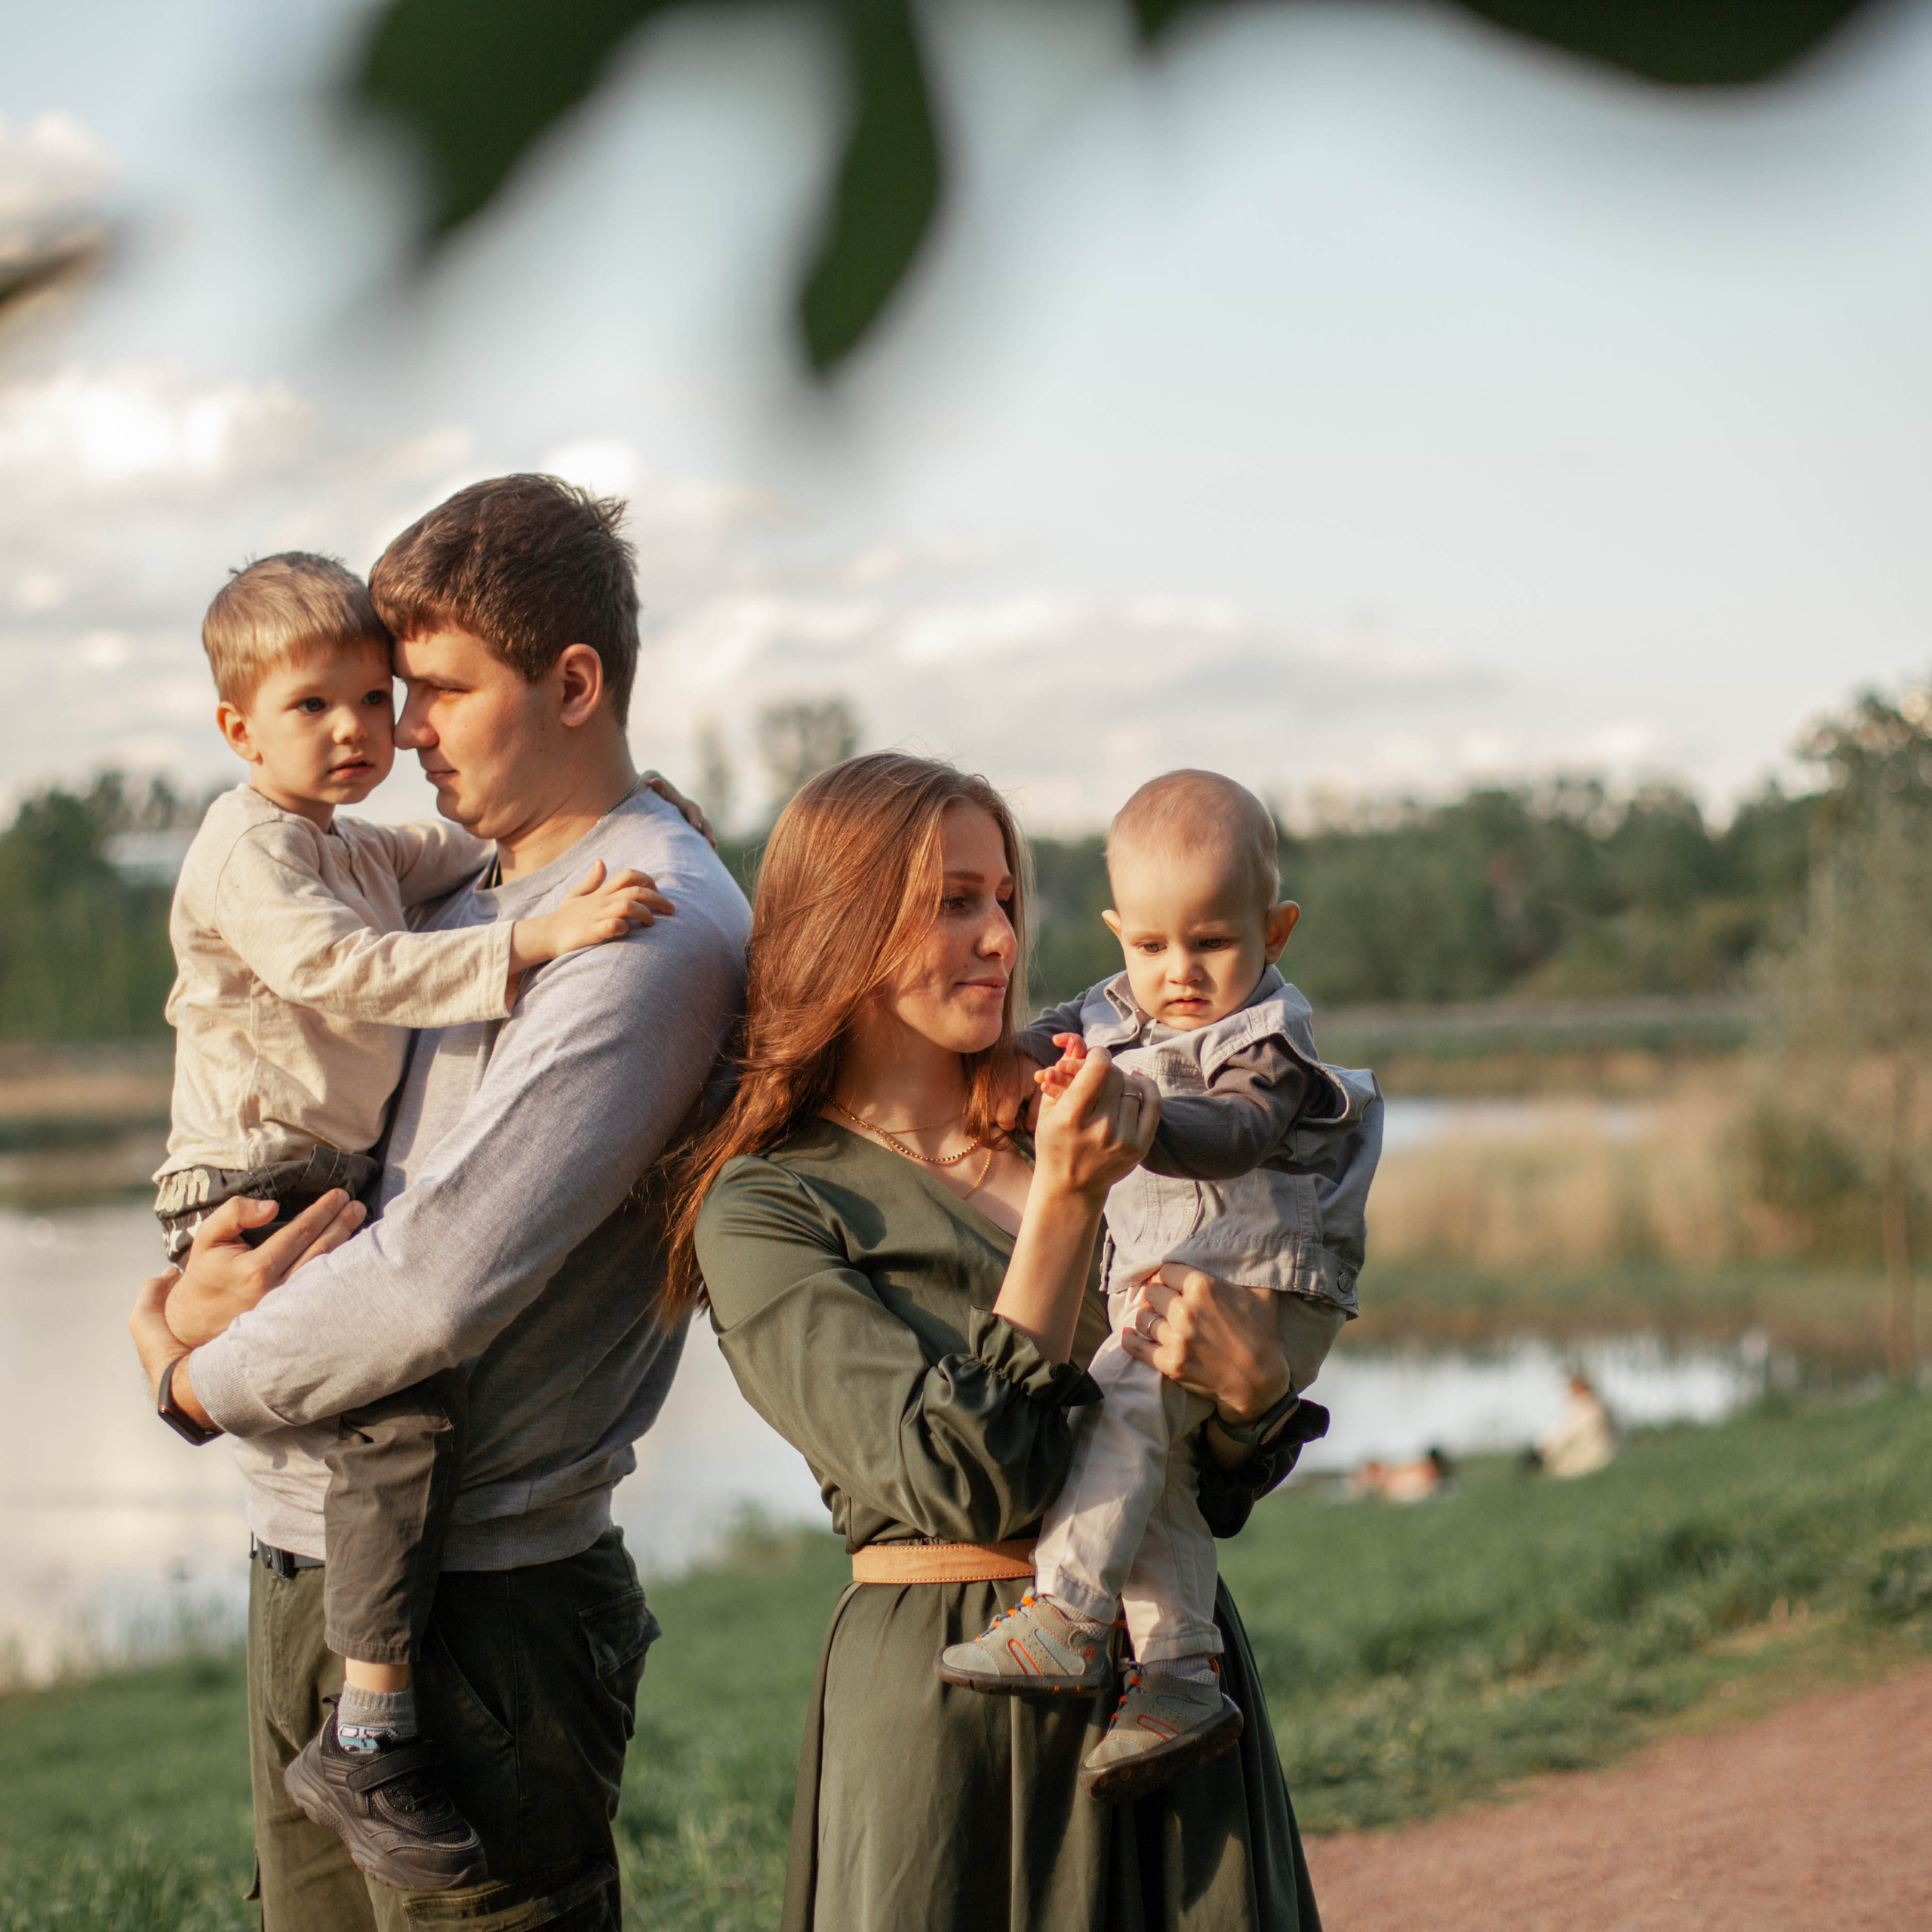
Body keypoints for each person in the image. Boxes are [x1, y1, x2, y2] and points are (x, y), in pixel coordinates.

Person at [128, 474, 752, 1932]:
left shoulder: (645, 931)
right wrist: (180, 1294)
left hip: (481, 1621)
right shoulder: (481, 883)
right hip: (320, 1565)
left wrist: (184, 1377)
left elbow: (429, 1287)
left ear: (574, 682)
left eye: (434, 693)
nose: (396, 733)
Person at [679, 752, 1329, 1932]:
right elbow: (965, 1483)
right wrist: (1068, 1206)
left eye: (1004, 900)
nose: (998, 937)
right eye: (952, 903)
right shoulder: (770, 1209)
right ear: (844, 925)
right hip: (947, 1713)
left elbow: (1199, 1478)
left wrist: (1256, 1397)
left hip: (1168, 1688)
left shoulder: (1086, 1113)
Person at [937, 770, 1383, 1801]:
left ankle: (1069, 1616)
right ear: (1117, 932)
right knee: (1161, 1468)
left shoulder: (1265, 1040)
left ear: (1276, 931)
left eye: (1212, 943)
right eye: (1149, 946)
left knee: (1120, 1414)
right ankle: (1181, 1672)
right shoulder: (1112, 1011)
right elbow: (1039, 1040)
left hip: (1265, 1285)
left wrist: (1133, 1115)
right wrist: (1026, 1070)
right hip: (1190, 1279)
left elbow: (1237, 1133)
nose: (1177, 973)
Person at [1528, 1373, 1617, 1478]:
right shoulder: (1591, 1406)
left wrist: (1546, 1447)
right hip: (1592, 1449)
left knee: (1558, 1466)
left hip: (1593, 1454)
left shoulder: (1587, 1409)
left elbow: (1568, 1434)